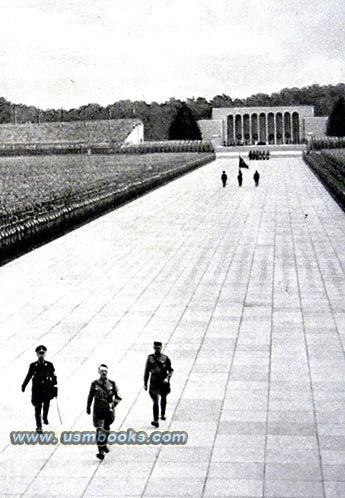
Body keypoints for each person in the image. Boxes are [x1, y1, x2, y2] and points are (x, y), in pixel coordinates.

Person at [87, 364, 121, 460]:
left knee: (106, 428)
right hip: (98, 410)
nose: (104, 372)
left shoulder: (112, 383)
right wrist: (88, 407)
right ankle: (100, 451)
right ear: (99, 372)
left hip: (108, 411)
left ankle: (104, 444)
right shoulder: (94, 384)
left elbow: (118, 397)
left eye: (105, 371)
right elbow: (90, 396)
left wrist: (113, 405)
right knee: (100, 430)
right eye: (102, 371)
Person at [22, 345, 58, 433]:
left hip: (47, 389)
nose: (41, 355)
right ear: (36, 354)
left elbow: (53, 376)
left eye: (42, 353)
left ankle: (45, 417)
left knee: (46, 405)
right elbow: (29, 375)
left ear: (45, 354)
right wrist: (24, 385)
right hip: (37, 389)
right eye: (39, 353)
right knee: (37, 407)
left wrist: (55, 388)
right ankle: (39, 426)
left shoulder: (49, 365)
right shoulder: (33, 365)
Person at [144, 341, 173, 428]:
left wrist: (167, 378)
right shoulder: (150, 358)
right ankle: (155, 420)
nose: (157, 349)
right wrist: (145, 383)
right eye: (156, 348)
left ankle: (162, 414)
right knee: (155, 400)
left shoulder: (165, 358)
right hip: (154, 381)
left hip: (163, 381)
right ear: (154, 348)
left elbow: (170, 370)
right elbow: (147, 371)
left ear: (161, 348)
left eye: (159, 348)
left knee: (163, 397)